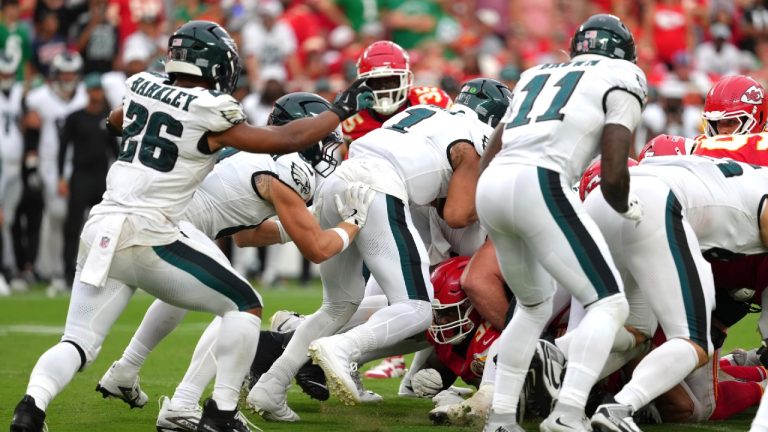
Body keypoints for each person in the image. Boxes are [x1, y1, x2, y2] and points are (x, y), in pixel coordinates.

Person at [9, 20, 373, 432]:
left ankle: (31, 408)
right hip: (152, 231)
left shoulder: (142, 87)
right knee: (244, 305)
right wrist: (342, 107)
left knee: (76, 342)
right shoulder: (212, 111)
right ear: (215, 64)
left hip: (101, 226)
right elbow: (288, 140)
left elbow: (115, 120)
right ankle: (218, 415)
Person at [247, 77, 511, 421]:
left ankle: (272, 386)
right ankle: (343, 349)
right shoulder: (476, 137)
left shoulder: (425, 112)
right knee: (417, 308)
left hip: (341, 182)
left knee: (337, 305)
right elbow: (458, 215)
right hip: (378, 188)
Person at [476, 14, 646, 431]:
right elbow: (612, 169)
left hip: (493, 183)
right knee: (609, 302)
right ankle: (568, 412)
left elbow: (492, 149)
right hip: (542, 180)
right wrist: (625, 206)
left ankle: (500, 417)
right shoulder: (624, 74)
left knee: (533, 306)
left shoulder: (537, 72)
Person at [584, 154, 768, 432]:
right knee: (694, 342)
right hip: (658, 209)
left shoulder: (728, 174)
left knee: (634, 331)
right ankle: (618, 407)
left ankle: (555, 362)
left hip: (611, 204)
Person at [57, 73, 118, 287]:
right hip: (80, 176)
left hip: (100, 177)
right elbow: (63, 148)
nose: (96, 94)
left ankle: (98, 272)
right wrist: (60, 177)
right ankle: (67, 272)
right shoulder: (76, 117)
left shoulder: (108, 118)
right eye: (93, 90)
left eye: (99, 90)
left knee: (102, 228)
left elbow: (115, 151)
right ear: (87, 91)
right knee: (73, 226)